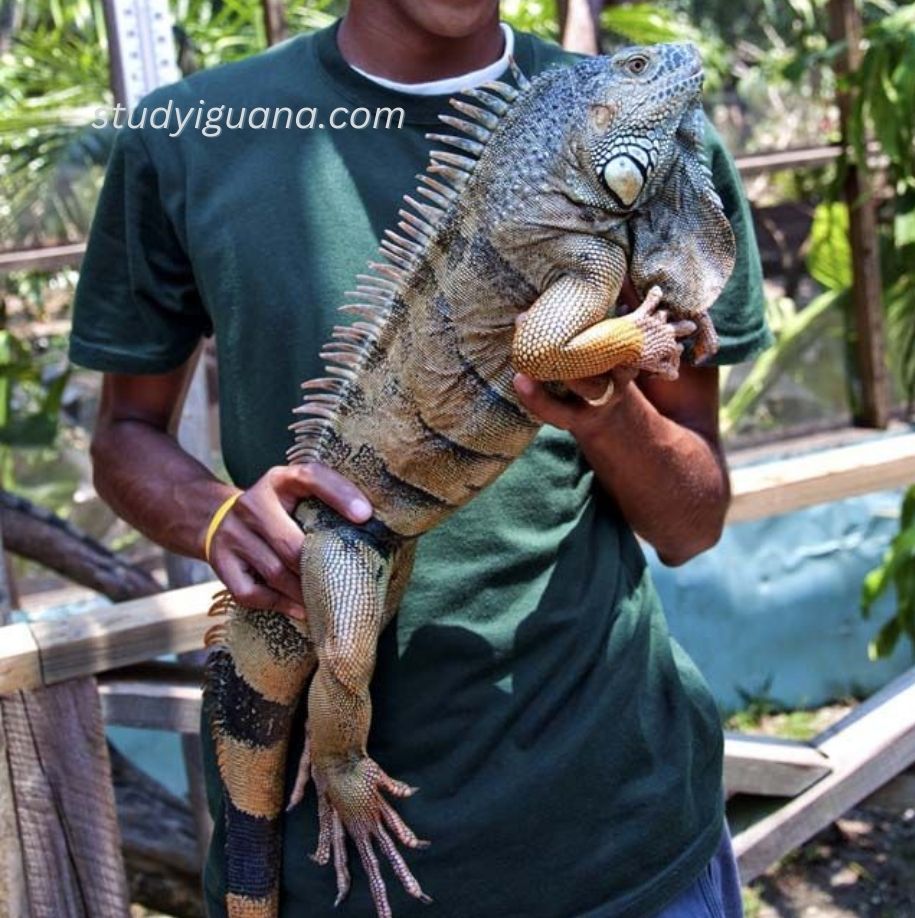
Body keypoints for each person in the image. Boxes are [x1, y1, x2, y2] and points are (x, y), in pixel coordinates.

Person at [71, 1, 770, 915]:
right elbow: (125, 435)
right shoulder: (187, 134)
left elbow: (691, 522)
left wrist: (601, 398)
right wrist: (214, 516)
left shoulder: (640, 132)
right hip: (342, 867)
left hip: (625, 830)